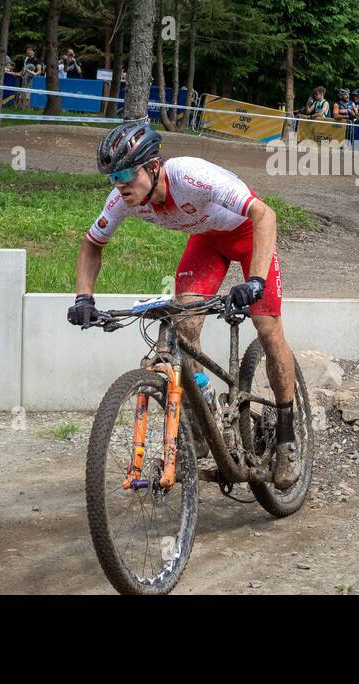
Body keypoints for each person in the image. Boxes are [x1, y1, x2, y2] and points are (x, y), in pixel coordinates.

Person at [67, 121, 301, 488]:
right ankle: (200, 412)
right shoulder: (124, 199)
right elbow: (92, 243)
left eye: (127, 173)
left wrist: (254, 280)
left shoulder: (191, 176)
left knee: (268, 329)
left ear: (154, 166)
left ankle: (287, 437)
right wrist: (84, 297)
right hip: (206, 241)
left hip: (246, 234)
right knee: (185, 325)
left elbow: (264, 214)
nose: (120, 184)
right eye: (113, 177)